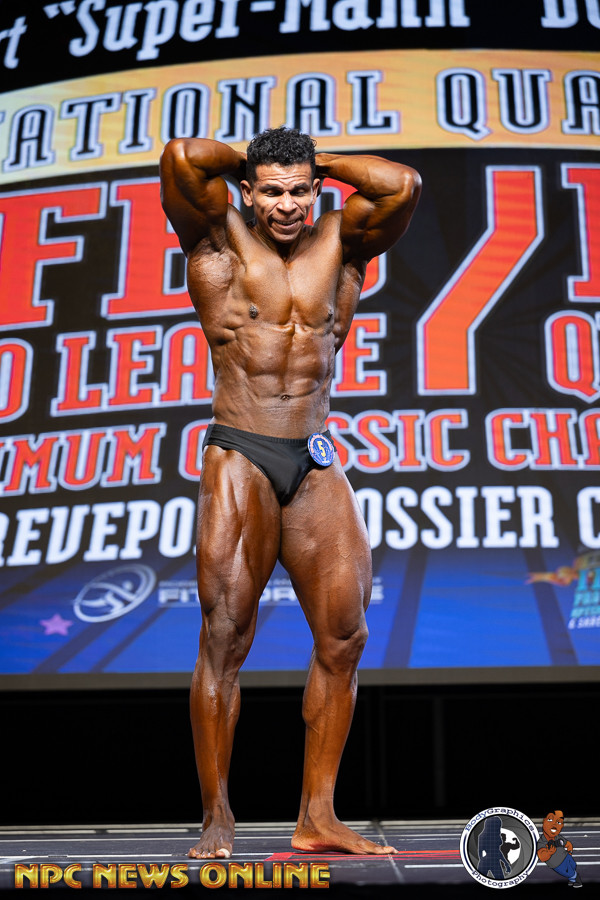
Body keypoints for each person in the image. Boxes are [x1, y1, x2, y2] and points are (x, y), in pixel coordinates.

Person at [159, 127, 421, 859]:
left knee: (345, 636)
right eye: (271, 190)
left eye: (300, 190)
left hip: (312, 455)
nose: (286, 204)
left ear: (317, 190)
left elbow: (402, 185)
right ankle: (217, 816)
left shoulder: (344, 241)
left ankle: (318, 816)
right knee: (224, 638)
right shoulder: (217, 239)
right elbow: (183, 158)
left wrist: (317, 159)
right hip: (240, 451)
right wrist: (256, 161)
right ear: (247, 190)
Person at [537, 810, 583, 887]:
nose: (554, 824)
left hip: (566, 856)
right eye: (550, 820)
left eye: (559, 822)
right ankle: (576, 878)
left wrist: (569, 852)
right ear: (544, 821)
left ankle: (572, 880)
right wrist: (549, 853)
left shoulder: (558, 837)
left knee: (573, 865)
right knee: (568, 873)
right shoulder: (542, 842)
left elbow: (567, 844)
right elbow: (542, 856)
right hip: (556, 863)